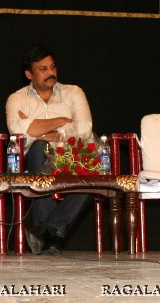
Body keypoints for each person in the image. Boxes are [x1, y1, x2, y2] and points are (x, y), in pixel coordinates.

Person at [6, 44, 94, 255]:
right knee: (38, 148)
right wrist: (64, 121)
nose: (50, 73)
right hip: (36, 161)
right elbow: (16, 129)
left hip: (71, 157)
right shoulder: (17, 98)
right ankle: (52, 235)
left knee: (92, 179)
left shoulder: (73, 92)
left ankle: (45, 232)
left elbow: (84, 129)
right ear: (29, 74)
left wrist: (37, 127)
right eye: (43, 69)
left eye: (52, 67)